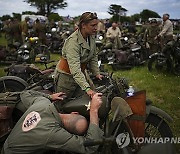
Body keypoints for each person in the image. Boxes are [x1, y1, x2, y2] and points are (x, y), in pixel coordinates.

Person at [2, 90, 103, 154]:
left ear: (74, 113)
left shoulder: (43, 103)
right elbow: (90, 147)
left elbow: (25, 94)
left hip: (8, 145)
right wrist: (94, 112)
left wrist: (50, 97)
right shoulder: (54, 134)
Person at [55, 12, 103, 99]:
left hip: (81, 73)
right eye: (93, 25)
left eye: (97, 25)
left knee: (92, 99)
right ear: (83, 25)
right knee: (62, 103)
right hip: (67, 77)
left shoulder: (91, 37)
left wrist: (96, 73)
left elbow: (93, 56)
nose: (96, 28)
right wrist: (87, 88)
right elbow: (75, 69)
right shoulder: (73, 42)